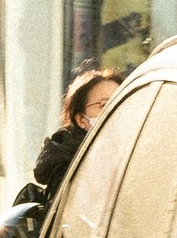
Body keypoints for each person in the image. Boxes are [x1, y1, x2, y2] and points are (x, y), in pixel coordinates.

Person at [17, 65, 118, 214]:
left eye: (119, 103)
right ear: (81, 120)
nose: (114, 110)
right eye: (103, 105)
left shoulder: (136, 150)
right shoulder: (71, 165)